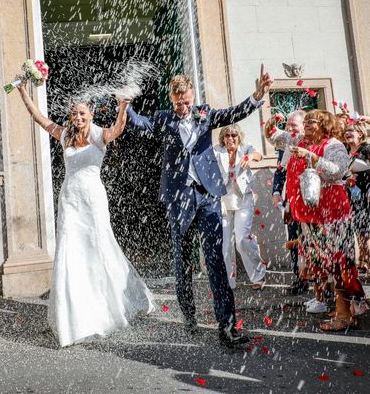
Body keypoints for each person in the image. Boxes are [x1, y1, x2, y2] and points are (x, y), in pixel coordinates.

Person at [126, 64, 272, 347]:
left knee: (216, 259)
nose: (184, 107)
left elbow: (235, 113)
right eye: (179, 103)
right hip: (178, 198)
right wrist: (126, 105)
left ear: (193, 96)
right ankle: (189, 316)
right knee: (183, 262)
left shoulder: (206, 114)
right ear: (172, 99)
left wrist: (257, 94)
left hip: (207, 196)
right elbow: (139, 124)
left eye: (187, 102)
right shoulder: (163, 118)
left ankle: (227, 327)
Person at [16, 81, 154, 348]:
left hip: (92, 199)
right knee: (70, 250)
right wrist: (23, 92)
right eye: (74, 113)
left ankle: (105, 305)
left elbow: (118, 129)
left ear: (91, 113)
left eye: (82, 113)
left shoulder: (99, 134)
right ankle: (73, 315)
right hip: (69, 199)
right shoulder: (65, 134)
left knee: (98, 246)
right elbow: (39, 118)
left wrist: (123, 107)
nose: (78, 117)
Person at [266, 109, 366, 331]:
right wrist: (270, 125)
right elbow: (275, 136)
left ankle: (344, 314)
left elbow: (338, 172)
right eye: (307, 121)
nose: (308, 125)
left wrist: (311, 157)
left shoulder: (334, 146)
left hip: (332, 213)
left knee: (340, 263)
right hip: (311, 215)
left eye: (313, 122)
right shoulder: (302, 141)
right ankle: (347, 306)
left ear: (325, 125)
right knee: (324, 263)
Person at [213, 124, 266, 290]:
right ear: (223, 138)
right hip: (223, 200)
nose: (230, 139)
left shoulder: (245, 149)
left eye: (234, 135)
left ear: (239, 137)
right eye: (227, 136)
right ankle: (229, 282)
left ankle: (258, 276)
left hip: (243, 198)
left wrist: (250, 157)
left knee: (242, 239)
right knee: (225, 244)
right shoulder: (217, 151)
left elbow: (259, 155)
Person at [343, 123, 370, 280]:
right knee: (361, 231)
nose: (347, 133)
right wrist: (347, 177)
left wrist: (360, 171)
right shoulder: (345, 149)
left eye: (351, 130)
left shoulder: (367, 148)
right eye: (346, 131)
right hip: (355, 196)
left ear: (360, 134)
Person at [271, 110, 309, 294]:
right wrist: (276, 192)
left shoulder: (311, 143)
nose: (290, 128)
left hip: (310, 199)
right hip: (290, 199)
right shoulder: (287, 144)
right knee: (293, 238)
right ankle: (299, 278)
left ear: (304, 126)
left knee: (311, 239)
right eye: (288, 125)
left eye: (294, 125)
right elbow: (280, 170)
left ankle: (319, 280)